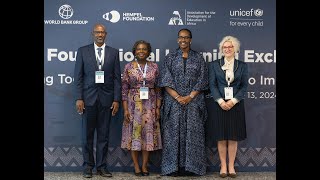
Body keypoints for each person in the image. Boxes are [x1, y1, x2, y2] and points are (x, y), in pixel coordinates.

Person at [158, 28, 208, 176]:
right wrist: (178, 97)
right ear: (177, 39)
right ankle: (172, 168)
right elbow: (166, 79)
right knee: (173, 134)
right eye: (181, 37)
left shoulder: (198, 58)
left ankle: (192, 168)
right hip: (174, 103)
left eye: (186, 37)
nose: (183, 40)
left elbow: (203, 79)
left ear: (190, 40)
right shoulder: (170, 57)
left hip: (194, 102)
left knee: (193, 134)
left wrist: (190, 96)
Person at [73, 23, 121, 178]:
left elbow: (116, 79)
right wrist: (79, 98)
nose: (100, 35)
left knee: (103, 136)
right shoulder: (83, 51)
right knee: (86, 135)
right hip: (87, 100)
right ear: (93, 34)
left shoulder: (113, 53)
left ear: (106, 34)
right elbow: (78, 77)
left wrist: (116, 99)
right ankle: (88, 167)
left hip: (107, 100)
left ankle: (101, 167)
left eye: (102, 32)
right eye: (97, 32)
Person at [206, 35, 248, 178]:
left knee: (233, 137)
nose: (228, 49)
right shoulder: (213, 65)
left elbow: (244, 86)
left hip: (235, 105)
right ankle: (223, 165)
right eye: (225, 47)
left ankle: (231, 166)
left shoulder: (242, 65)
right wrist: (220, 101)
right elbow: (212, 84)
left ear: (235, 49)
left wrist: (233, 100)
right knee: (221, 137)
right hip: (219, 105)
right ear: (221, 49)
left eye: (230, 47)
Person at [120, 40, 162, 176]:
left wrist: (157, 107)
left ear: (149, 52)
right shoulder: (128, 67)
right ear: (134, 51)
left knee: (147, 135)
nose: (141, 51)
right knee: (134, 135)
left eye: (144, 49)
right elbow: (124, 90)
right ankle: (136, 167)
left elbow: (158, 89)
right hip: (133, 105)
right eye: (139, 49)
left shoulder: (154, 67)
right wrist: (126, 109)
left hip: (150, 104)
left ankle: (144, 166)